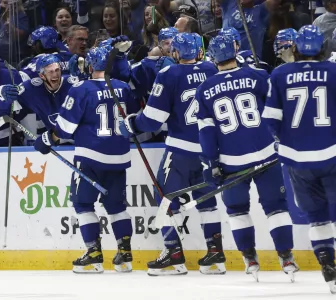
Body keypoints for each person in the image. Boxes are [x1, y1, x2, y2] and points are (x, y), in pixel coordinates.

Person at [120, 33, 225, 276]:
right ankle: (215, 255)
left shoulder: (169, 74)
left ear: (175, 53)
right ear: (200, 51)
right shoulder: (212, 69)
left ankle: (173, 254)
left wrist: (133, 124)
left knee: (165, 199)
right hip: (210, 151)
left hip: (180, 152)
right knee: (207, 200)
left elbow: (153, 120)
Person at [196, 34, 298, 281]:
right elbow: (277, 111)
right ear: (236, 49)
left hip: (232, 162)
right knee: (276, 208)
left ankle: (250, 257)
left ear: (213, 58)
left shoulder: (204, 89)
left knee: (237, 210)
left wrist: (212, 163)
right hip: (266, 153)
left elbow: (207, 132)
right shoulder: (258, 76)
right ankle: (286, 256)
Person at [33, 46, 140, 274]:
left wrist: (46, 138)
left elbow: (64, 129)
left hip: (90, 157)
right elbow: (133, 118)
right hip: (120, 155)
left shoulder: (82, 89)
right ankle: (125, 255)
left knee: (83, 204)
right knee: (116, 206)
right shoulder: (121, 87)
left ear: (89, 66)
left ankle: (93, 255)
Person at [262, 25, 336, 293]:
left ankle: (328, 268)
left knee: (317, 217)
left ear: (295, 47)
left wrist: (285, 141)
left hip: (297, 160)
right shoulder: (333, 71)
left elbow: (270, 119)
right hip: (332, 154)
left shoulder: (280, 73)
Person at [0, 54, 77, 137]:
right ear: (42, 76)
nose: (55, 74)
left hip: (79, 140)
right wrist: (2, 96)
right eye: (50, 72)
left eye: (57, 70)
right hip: (55, 141)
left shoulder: (73, 84)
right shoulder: (31, 88)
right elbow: (3, 111)